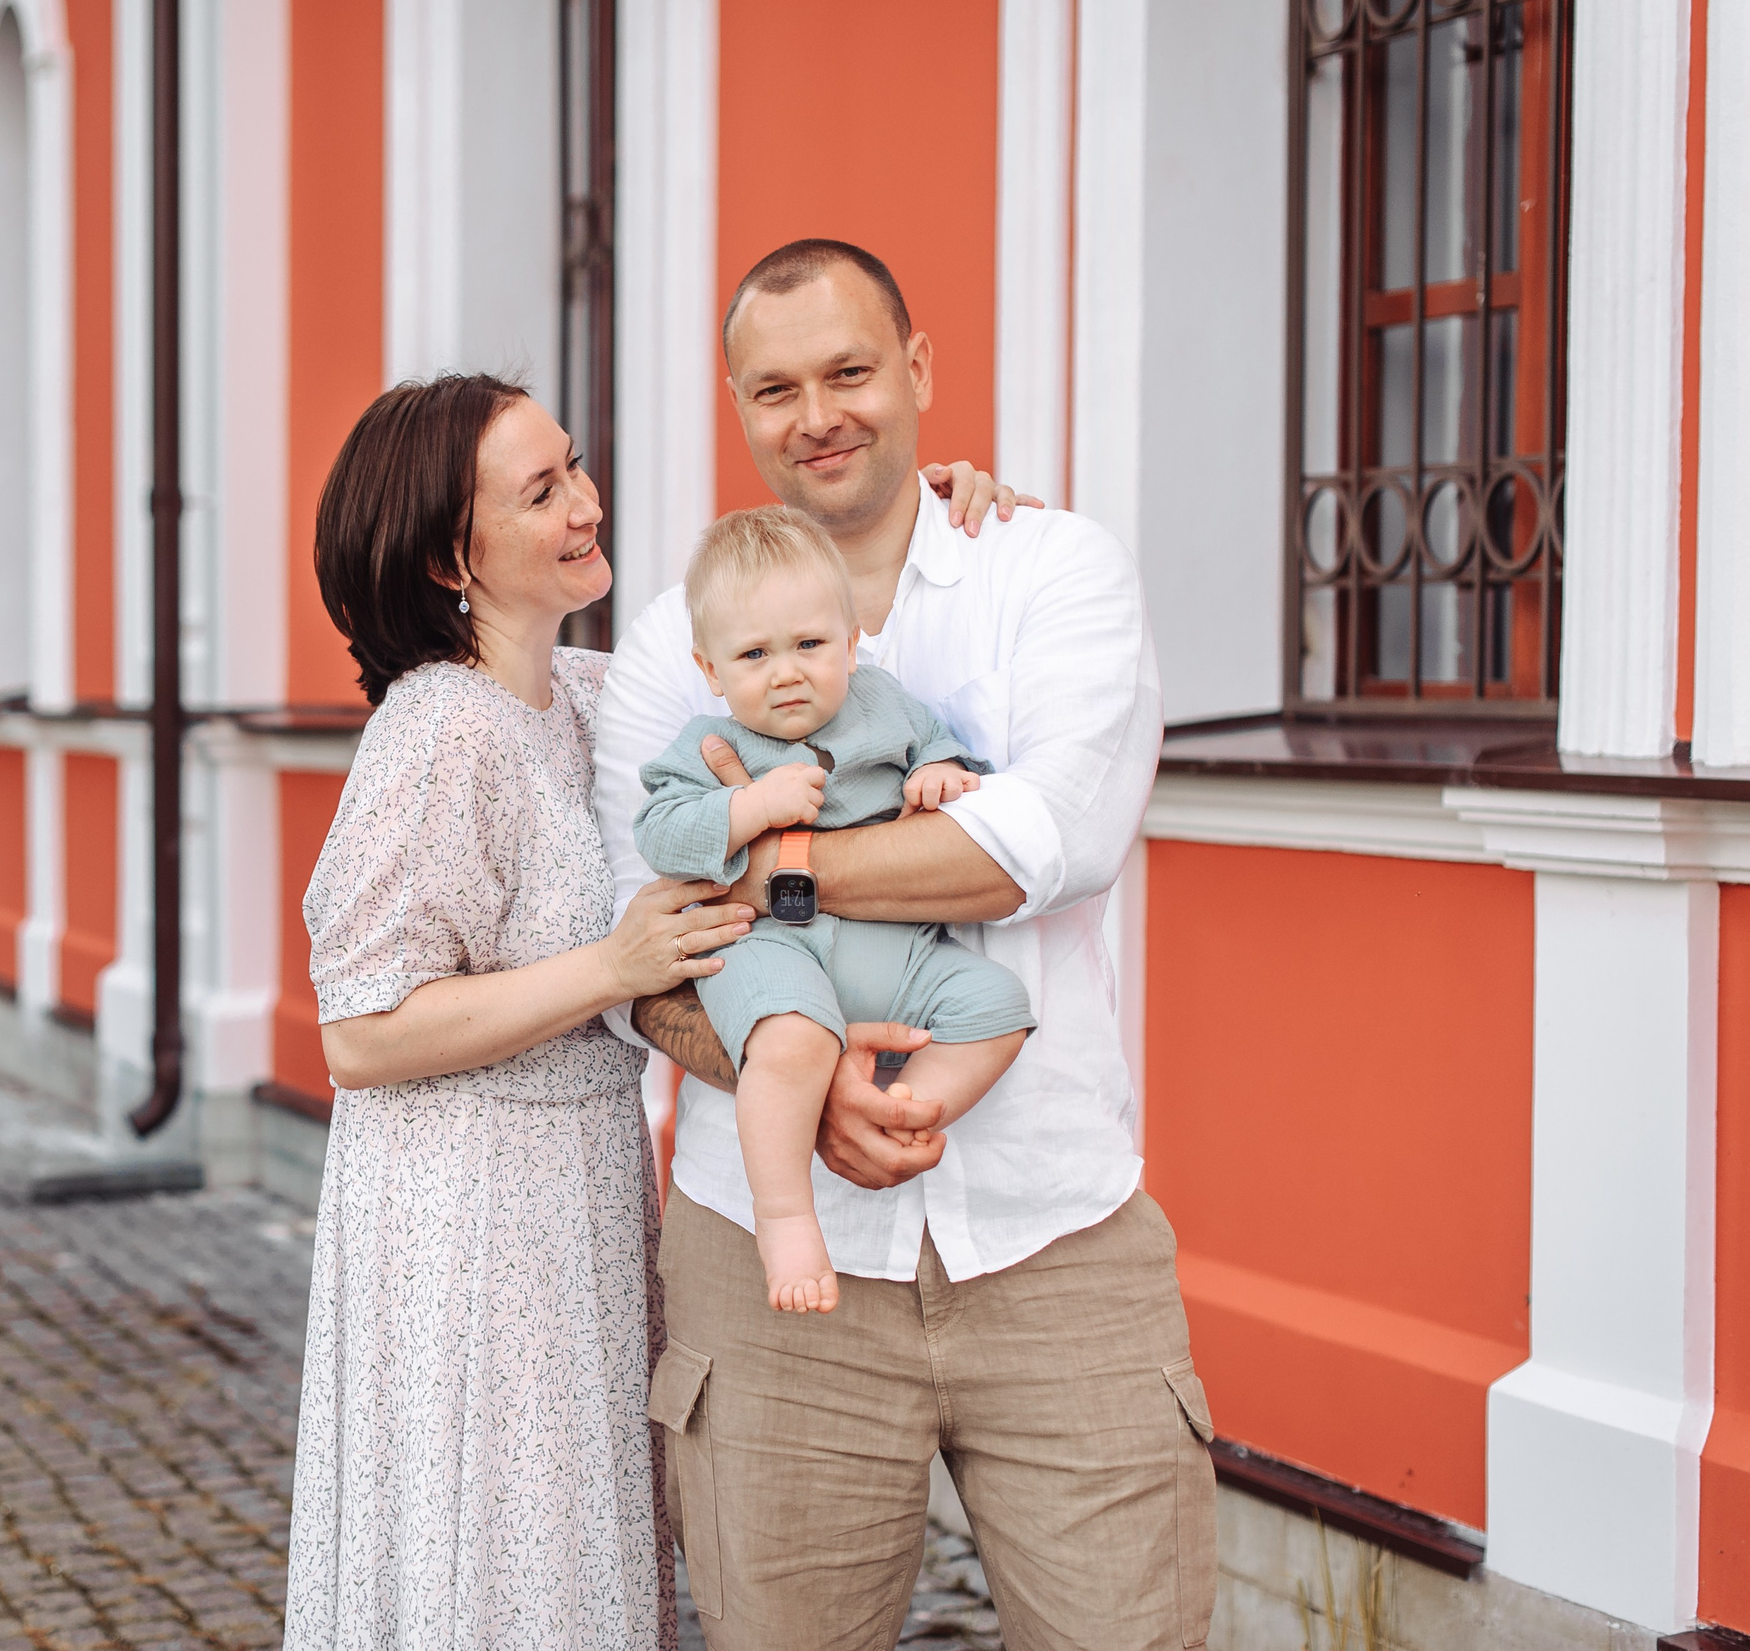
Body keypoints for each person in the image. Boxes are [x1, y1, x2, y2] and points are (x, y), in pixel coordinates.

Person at [592, 239, 1217, 1651]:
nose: (817, 416)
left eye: (851, 371)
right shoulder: (670, 642)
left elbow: (1044, 844)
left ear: (920, 370)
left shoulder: (1047, 568)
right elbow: (639, 945)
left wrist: (776, 871)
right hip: (765, 1265)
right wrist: (801, 1095)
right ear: (739, 408)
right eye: (776, 389)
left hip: (1055, 1235)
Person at [284, 373, 755, 1651]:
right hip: (466, 1217)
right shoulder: (439, 731)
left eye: (575, 467)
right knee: (502, 1568)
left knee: (572, 1562)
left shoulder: (592, 695)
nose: (586, 504)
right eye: (541, 492)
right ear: (452, 558)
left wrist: (927, 522)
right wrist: (612, 967)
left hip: (579, 1188)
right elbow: (360, 1034)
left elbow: (784, 657)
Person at [632, 504, 1032, 1315]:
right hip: (775, 953)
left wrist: (940, 773)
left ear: (851, 644)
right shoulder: (709, 746)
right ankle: (785, 1216)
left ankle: (902, 1112)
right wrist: (749, 808)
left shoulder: (885, 704)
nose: (786, 673)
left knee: (998, 1006)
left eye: (810, 645)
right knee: (788, 1043)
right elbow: (659, 834)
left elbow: (942, 748)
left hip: (901, 952)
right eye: (755, 654)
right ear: (712, 670)